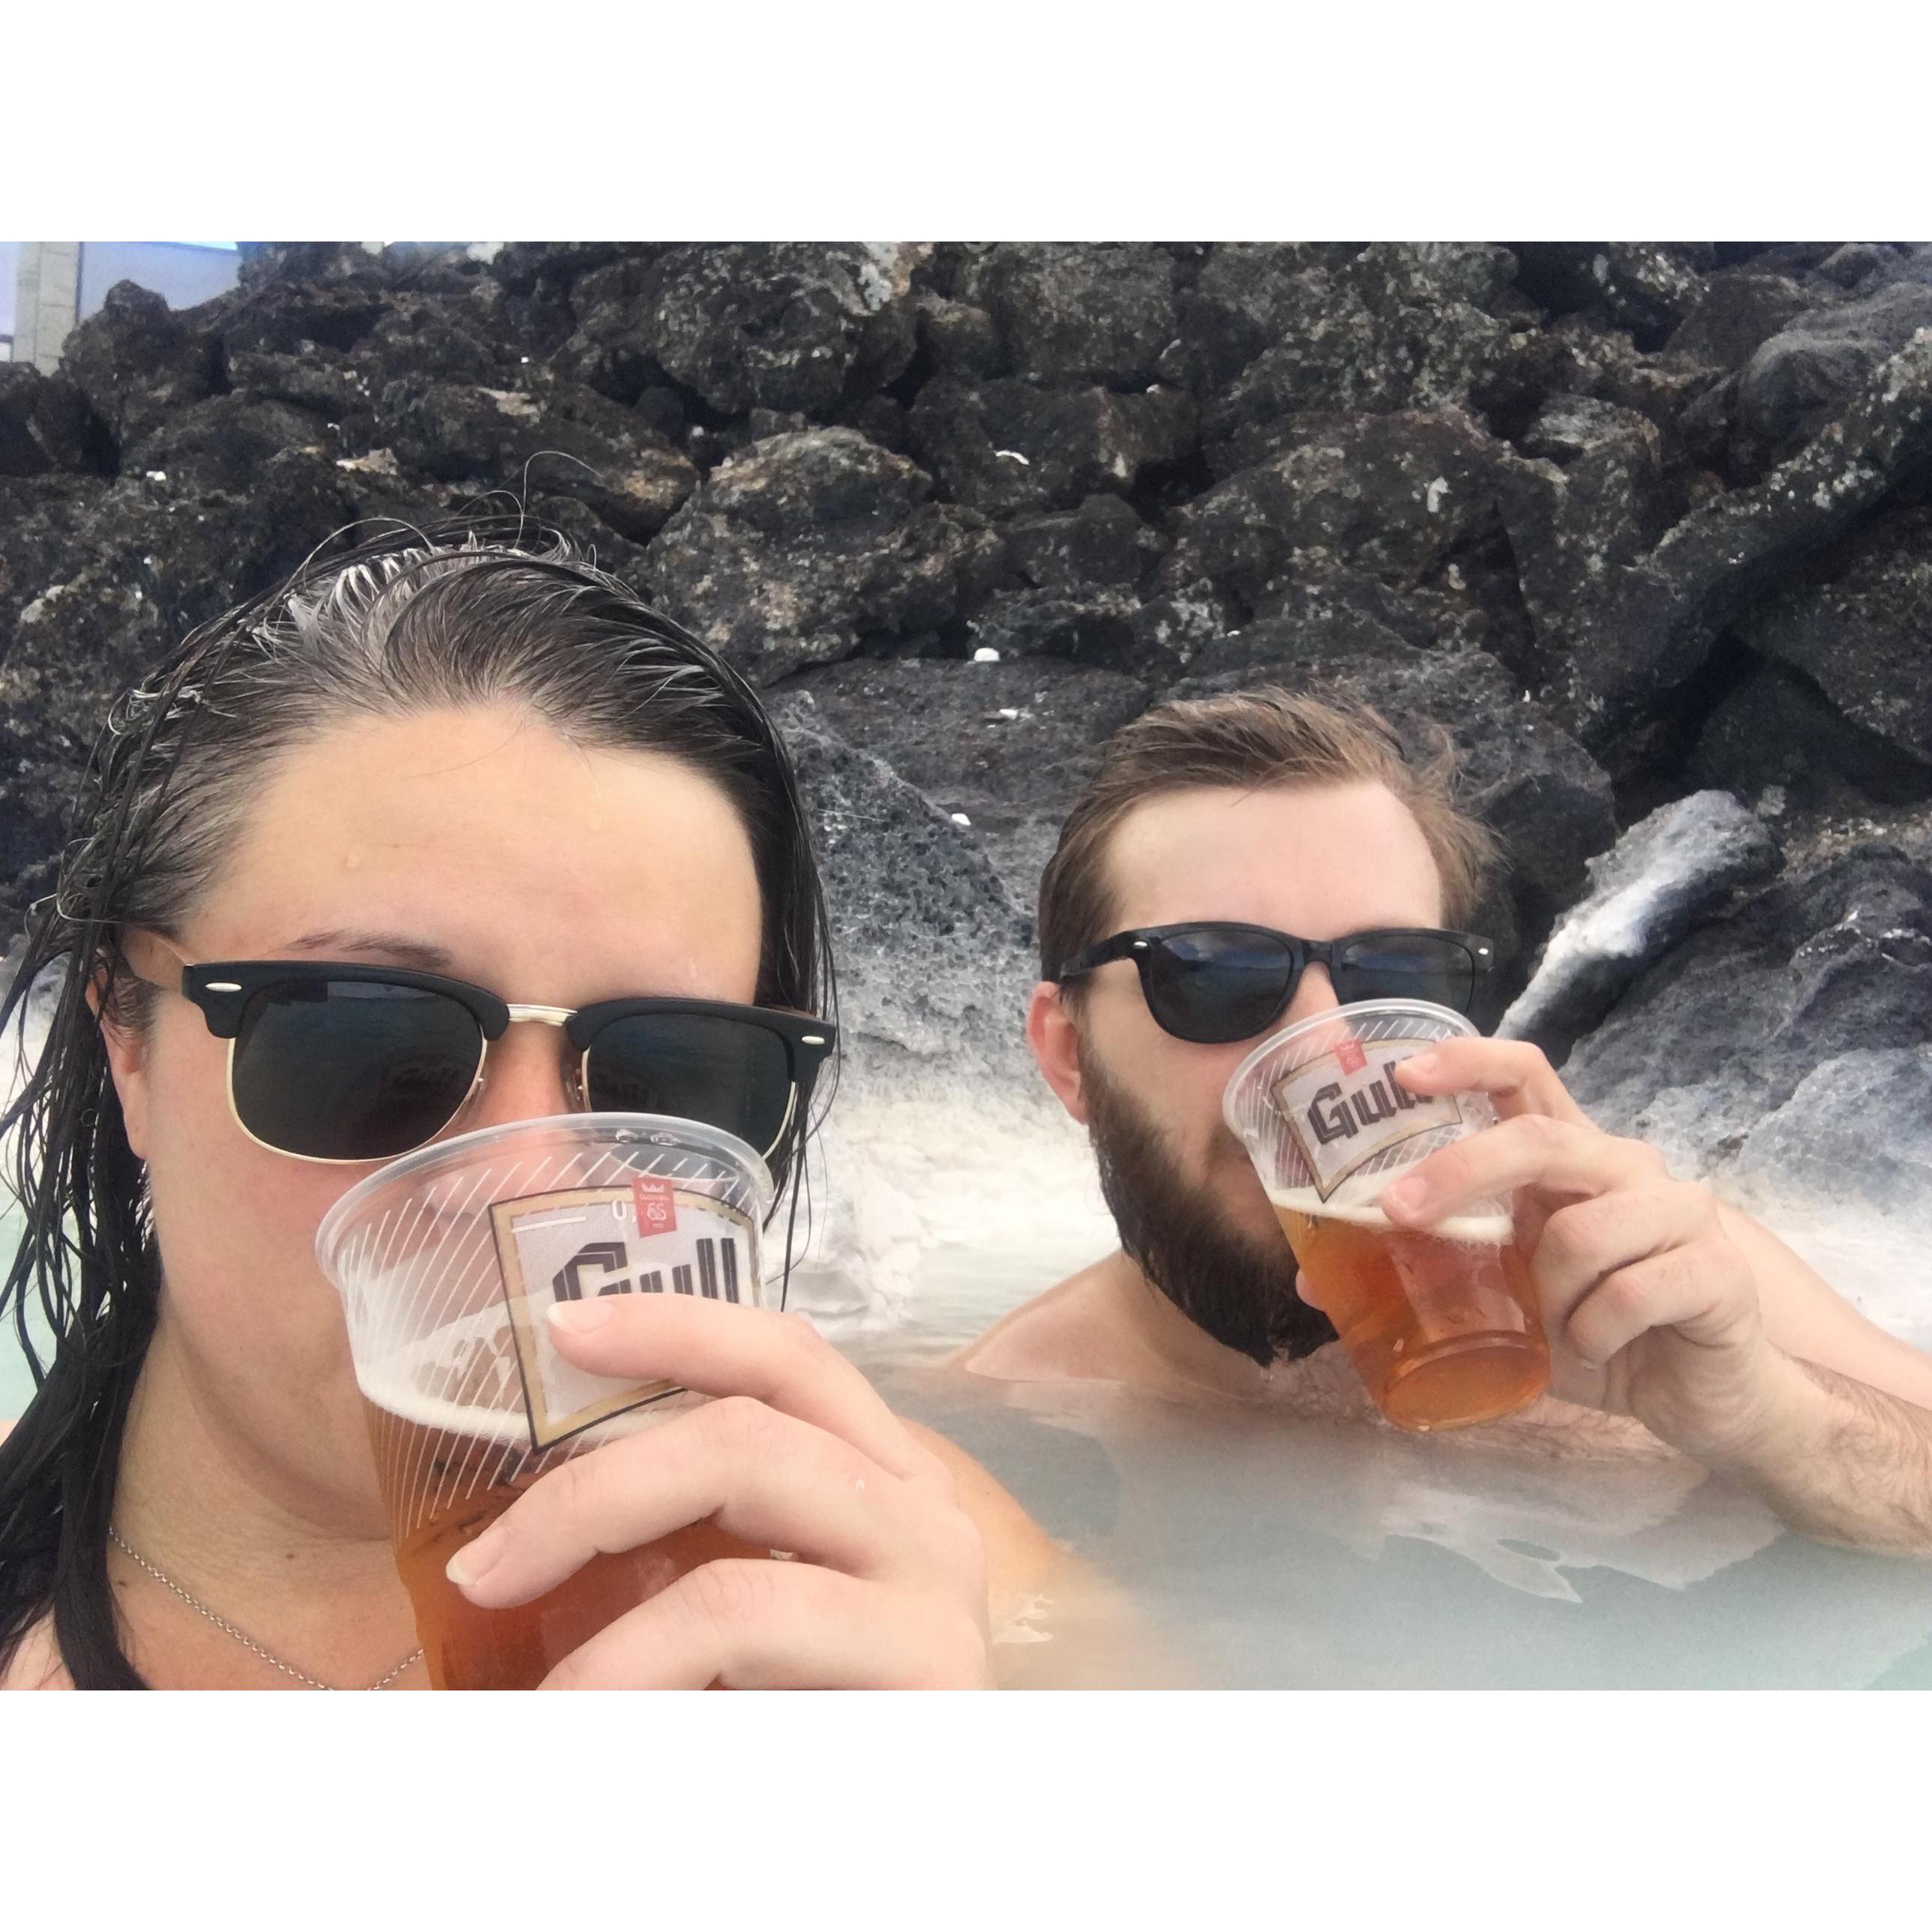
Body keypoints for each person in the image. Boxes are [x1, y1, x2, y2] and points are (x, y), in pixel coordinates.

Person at [0, 526, 1060, 1690]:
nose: (534, 1183)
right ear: (124, 1039)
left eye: (669, 1075)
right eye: (377, 1050)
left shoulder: (925, 1578)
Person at [958, 686, 1932, 1554]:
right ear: (1069, 1055)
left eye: (1391, 974)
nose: (1326, 1052)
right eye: (1216, 973)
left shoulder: (1645, 1275)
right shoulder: (1004, 1420)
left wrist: (1768, 1416)